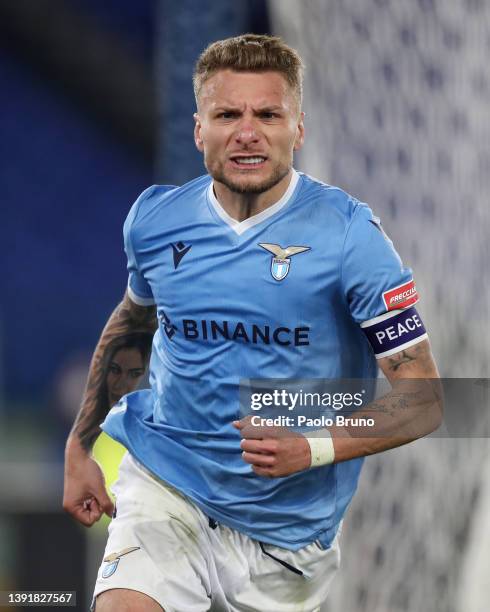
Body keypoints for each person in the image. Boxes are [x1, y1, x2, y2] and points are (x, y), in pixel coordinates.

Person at [63, 34, 441, 612]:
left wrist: (310, 446)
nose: (247, 131)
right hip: (168, 487)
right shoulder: (155, 219)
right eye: (227, 114)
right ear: (198, 129)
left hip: (287, 539)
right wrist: (80, 443)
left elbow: (425, 400)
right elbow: (133, 325)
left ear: (299, 129)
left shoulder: (350, 237)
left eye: (268, 114)